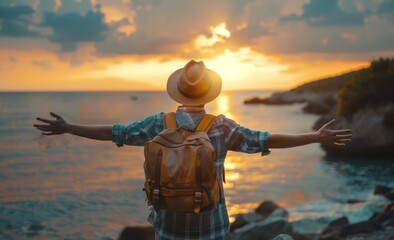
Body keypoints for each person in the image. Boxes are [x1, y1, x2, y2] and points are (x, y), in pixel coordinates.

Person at [34, 60, 352, 240]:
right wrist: (314, 137)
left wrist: (69, 127)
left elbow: (113, 132)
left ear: (179, 91)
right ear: (209, 93)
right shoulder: (221, 126)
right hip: (211, 225)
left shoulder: (158, 123)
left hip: (167, 225)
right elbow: (267, 140)